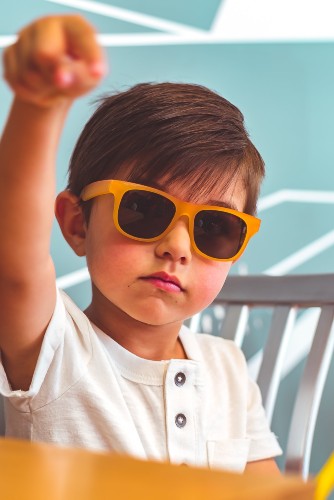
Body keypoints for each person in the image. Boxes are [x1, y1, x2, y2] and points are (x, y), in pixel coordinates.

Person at [0, 14, 282, 474]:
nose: (177, 247)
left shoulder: (227, 365)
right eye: (145, 210)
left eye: (214, 226)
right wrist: (41, 105)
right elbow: (13, 264)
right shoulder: (51, 349)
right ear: (77, 224)